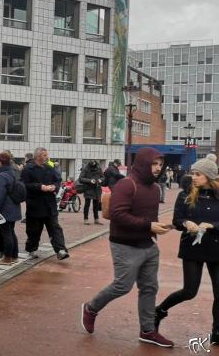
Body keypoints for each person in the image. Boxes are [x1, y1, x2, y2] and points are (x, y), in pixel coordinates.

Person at [81, 147, 174, 347]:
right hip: (124, 244)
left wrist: (157, 227)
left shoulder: (155, 188)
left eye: (160, 164)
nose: (158, 168)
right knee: (122, 286)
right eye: (154, 164)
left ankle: (147, 330)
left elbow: (148, 216)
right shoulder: (126, 184)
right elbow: (118, 215)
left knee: (150, 288)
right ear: (142, 163)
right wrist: (148, 225)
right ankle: (91, 308)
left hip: (148, 244)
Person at [155, 156, 219, 344]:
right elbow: (177, 219)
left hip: (216, 248)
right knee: (190, 291)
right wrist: (185, 223)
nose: (193, 177)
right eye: (193, 173)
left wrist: (213, 225)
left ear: (209, 176)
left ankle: (217, 332)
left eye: (198, 174)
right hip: (192, 248)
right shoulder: (185, 194)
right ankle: (159, 311)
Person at [22, 147, 69, 260]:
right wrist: (40, 187)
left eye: (46, 155)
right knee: (33, 230)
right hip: (35, 205)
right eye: (44, 155)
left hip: (49, 205)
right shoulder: (28, 169)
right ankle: (31, 249)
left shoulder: (50, 168)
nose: (47, 157)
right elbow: (24, 184)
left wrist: (55, 187)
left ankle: (60, 250)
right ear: (37, 156)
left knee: (55, 228)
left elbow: (58, 180)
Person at [0, 152, 22, 265]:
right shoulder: (13, 173)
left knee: (6, 233)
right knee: (11, 232)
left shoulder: (2, 176)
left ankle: (7, 257)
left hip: (5, 209)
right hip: (14, 207)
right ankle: (14, 256)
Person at [78, 160, 105, 225]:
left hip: (97, 188)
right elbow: (81, 178)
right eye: (92, 164)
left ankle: (96, 219)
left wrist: (100, 179)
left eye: (94, 164)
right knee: (87, 204)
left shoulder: (98, 168)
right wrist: (90, 180)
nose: (94, 165)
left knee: (96, 205)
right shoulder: (85, 168)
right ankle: (86, 219)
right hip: (88, 188)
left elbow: (103, 177)